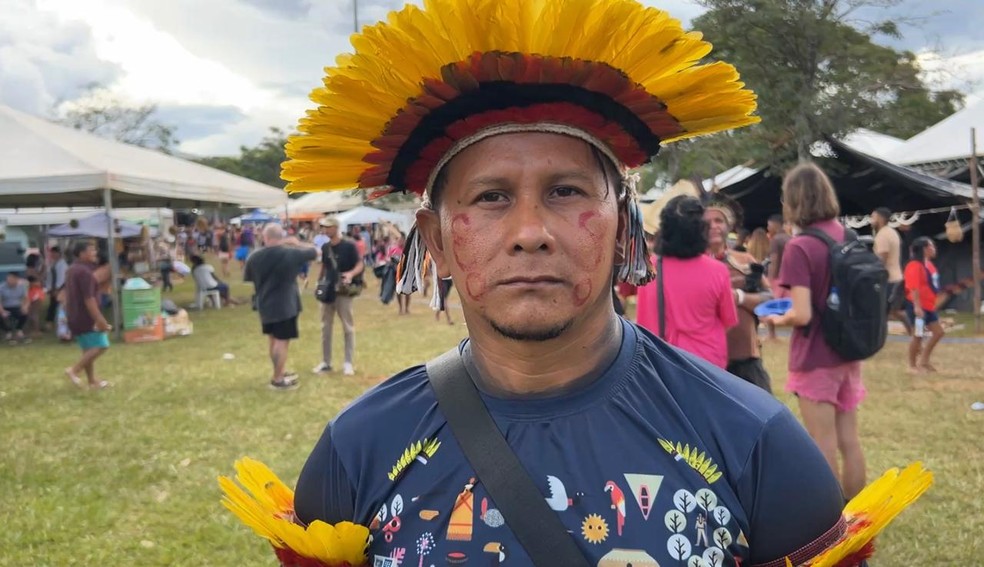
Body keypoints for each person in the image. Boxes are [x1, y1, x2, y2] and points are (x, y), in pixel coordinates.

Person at [287, 3, 849, 565]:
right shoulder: (355, 455)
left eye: (566, 192)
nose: (530, 233)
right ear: (437, 242)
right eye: (491, 197)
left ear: (623, 224)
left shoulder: (756, 446)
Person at [765, 162, 866, 499]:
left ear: (793, 200)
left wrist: (777, 320)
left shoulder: (800, 246)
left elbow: (803, 313)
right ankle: (858, 516)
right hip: (848, 353)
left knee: (822, 445)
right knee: (849, 441)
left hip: (815, 357)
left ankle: (835, 525)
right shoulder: (847, 236)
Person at [636, 195, 738, 368]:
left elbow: (643, 320)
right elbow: (728, 321)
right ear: (701, 230)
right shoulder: (718, 271)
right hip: (709, 365)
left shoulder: (649, 268)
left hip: (662, 363)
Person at [704, 197, 774, 393]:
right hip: (707, 360)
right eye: (707, 222)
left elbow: (770, 300)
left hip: (746, 356)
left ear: (729, 226)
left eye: (719, 221)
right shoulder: (694, 266)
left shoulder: (745, 261)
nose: (714, 226)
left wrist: (740, 297)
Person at [244, 223, 317, 390]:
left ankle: (279, 371)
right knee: (282, 341)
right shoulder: (291, 253)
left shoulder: (254, 257)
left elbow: (249, 278)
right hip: (285, 304)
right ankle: (277, 379)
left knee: (273, 339)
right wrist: (297, 243)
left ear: (265, 237)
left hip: (264, 302)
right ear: (281, 237)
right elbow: (316, 251)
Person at [312, 216, 364, 377]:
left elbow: (360, 264)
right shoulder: (326, 247)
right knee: (325, 327)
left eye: (328, 227)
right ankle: (326, 362)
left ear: (336, 228)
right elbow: (324, 267)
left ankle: (348, 362)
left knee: (347, 327)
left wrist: (350, 274)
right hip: (328, 291)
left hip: (343, 291)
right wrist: (318, 282)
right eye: (324, 227)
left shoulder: (349, 245)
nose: (325, 230)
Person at [63, 240, 112, 389]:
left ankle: (92, 381)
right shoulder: (85, 273)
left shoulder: (71, 269)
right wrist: (100, 320)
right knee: (102, 345)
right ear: (81, 253)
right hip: (86, 316)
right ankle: (74, 370)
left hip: (74, 314)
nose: (94, 253)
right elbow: (89, 299)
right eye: (91, 250)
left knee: (88, 348)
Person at [903, 237, 944, 374]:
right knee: (918, 334)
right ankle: (912, 365)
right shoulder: (914, 265)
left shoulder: (929, 265)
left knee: (938, 332)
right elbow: (913, 287)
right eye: (931, 246)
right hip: (918, 306)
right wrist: (917, 307)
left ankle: (924, 360)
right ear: (924, 249)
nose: (934, 249)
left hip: (928, 306)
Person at [871, 207, 910, 336]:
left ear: (880, 218)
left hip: (889, 278)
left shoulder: (882, 235)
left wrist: (873, 276)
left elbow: (882, 258)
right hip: (896, 276)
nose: (871, 220)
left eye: (873, 217)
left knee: (890, 310)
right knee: (893, 311)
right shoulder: (892, 232)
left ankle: (914, 332)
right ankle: (913, 332)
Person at [765, 214, 790, 341]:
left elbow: (774, 261)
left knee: (771, 306)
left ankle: (771, 334)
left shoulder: (775, 240)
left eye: (769, 225)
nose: (768, 228)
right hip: (789, 278)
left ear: (776, 224)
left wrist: (769, 280)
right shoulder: (790, 238)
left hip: (777, 278)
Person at [1, 272, 30, 344]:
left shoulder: (22, 286)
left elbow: (26, 299)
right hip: (5, 306)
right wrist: (2, 311)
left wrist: (25, 306)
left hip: (17, 306)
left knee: (24, 313)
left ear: (16, 279)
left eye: (11, 279)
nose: (9, 280)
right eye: (8, 278)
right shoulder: (1, 287)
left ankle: (19, 330)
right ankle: (8, 331)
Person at [44, 246, 68, 330]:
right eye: (52, 253)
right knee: (52, 305)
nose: (53, 255)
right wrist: (49, 288)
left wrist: (57, 289)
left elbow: (62, 277)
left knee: (60, 306)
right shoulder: (52, 264)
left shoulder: (62, 264)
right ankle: (50, 323)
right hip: (53, 288)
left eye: (55, 253)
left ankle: (61, 324)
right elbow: (50, 277)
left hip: (60, 288)